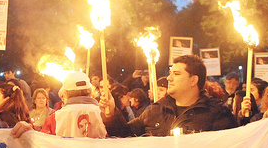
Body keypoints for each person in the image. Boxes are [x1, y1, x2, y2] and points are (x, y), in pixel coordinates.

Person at [101, 55, 237, 137]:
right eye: (170, 73)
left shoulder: (217, 114)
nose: (169, 78)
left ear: (193, 80)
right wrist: (111, 114)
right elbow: (124, 133)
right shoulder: (155, 110)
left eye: (176, 74)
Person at [42, 71, 107, 138]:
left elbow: (44, 144)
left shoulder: (54, 118)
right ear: (90, 91)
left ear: (65, 93)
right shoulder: (105, 115)